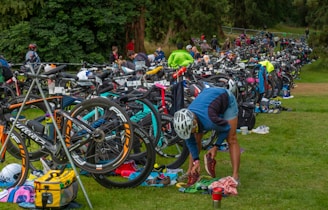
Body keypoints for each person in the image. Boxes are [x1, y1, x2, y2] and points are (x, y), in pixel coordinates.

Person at [173, 87, 240, 186]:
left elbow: (226, 128)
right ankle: (190, 171)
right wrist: (196, 160)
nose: (190, 133)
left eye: (190, 130)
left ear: (194, 122)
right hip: (207, 99)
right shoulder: (188, 120)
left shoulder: (210, 121)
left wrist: (215, 146)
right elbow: (191, 142)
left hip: (225, 97)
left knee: (231, 139)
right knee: (196, 138)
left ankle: (235, 176)